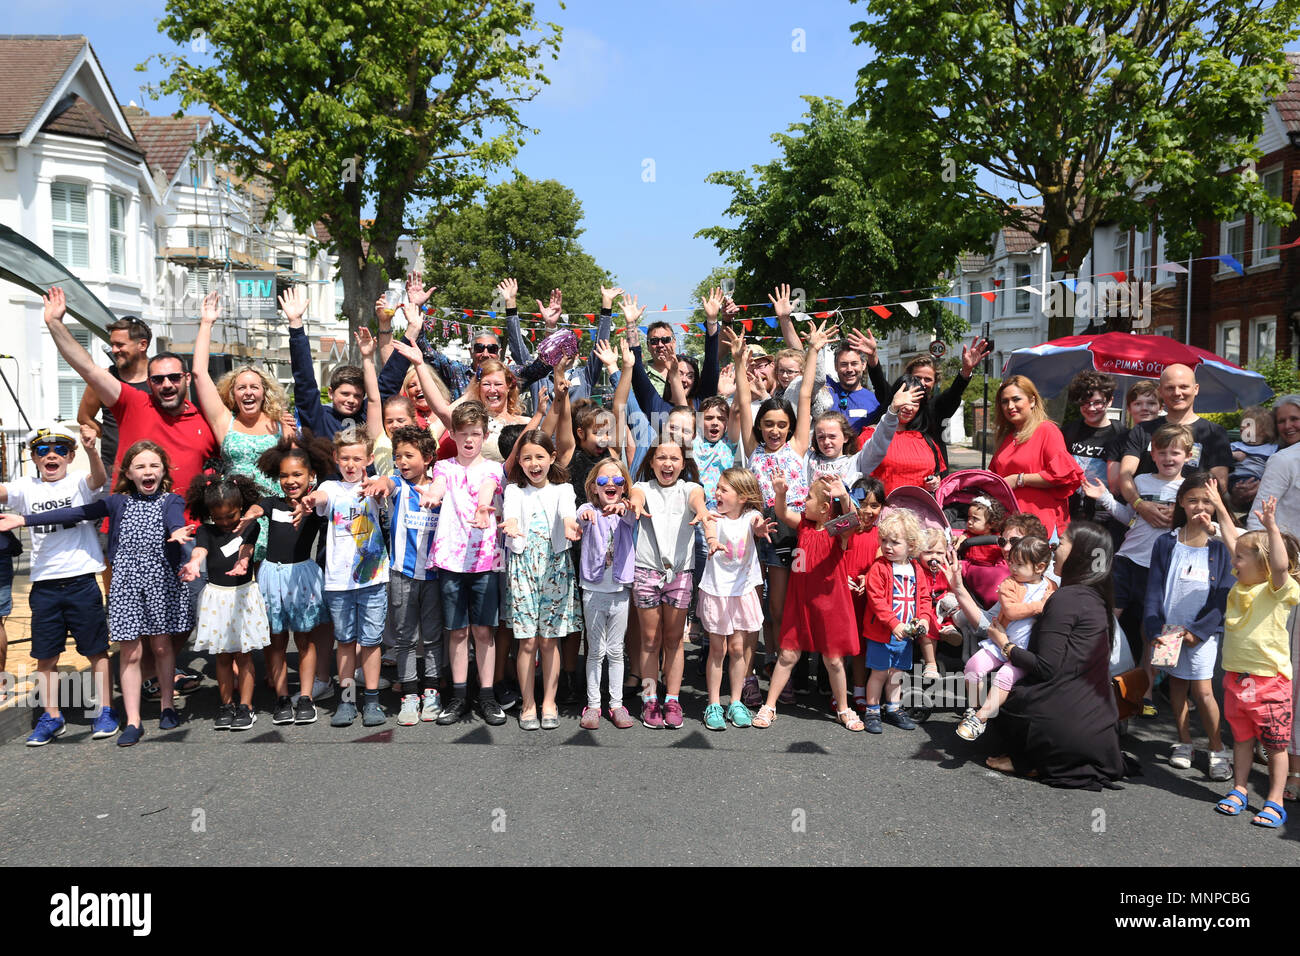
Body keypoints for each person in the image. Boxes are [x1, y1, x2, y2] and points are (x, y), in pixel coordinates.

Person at [0, 440, 194, 746]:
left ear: (163, 471)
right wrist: (25, 519)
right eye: (140, 466)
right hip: (125, 585)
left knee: (161, 647)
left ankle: (168, 705)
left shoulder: (172, 501)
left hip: (161, 584)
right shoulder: (116, 502)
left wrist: (178, 534)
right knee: (130, 652)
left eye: (154, 466)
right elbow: (73, 513)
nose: (148, 472)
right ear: (129, 472)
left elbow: (175, 523)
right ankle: (132, 719)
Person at [981, 521, 1125, 789]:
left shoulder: (1065, 599)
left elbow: (1045, 667)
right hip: (1100, 725)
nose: (1054, 549)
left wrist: (1004, 644)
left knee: (1009, 698)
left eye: (1062, 544)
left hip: (1064, 728)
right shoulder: (1094, 596)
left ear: (1081, 555)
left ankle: (1030, 759)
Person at [42, 287, 218, 504]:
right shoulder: (134, 403)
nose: (166, 384)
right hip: (132, 528)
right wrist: (55, 324)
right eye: (157, 379)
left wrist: (207, 324)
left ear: (186, 379)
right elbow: (88, 368)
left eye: (174, 377)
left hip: (188, 530)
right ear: (150, 383)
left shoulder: (204, 420)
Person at [4, 426, 117, 746]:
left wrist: (92, 450)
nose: (50, 455)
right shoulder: (25, 487)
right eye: (42, 451)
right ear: (34, 458)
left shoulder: (79, 481)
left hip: (82, 579)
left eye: (58, 450)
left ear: (69, 456)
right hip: (44, 584)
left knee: (96, 650)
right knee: (46, 656)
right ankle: (51, 716)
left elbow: (98, 479)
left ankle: (106, 709)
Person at [1084, 422, 1192, 716]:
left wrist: (1183, 518)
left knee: (1152, 633)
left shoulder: (1189, 488)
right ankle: (1095, 681)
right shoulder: (1141, 482)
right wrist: (1104, 497)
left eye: (1176, 453)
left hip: (1164, 570)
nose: (1169, 458)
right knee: (1107, 622)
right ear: (1152, 455)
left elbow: (1199, 527)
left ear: (1188, 455)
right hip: (1127, 561)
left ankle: (1146, 692)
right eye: (1163, 452)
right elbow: (1127, 517)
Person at [752, 473, 870, 731]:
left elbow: (852, 523)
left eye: (808, 498)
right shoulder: (804, 524)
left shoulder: (835, 530)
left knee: (833, 659)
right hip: (801, 603)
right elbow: (782, 513)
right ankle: (769, 705)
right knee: (787, 655)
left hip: (831, 607)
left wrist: (843, 496)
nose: (803, 502)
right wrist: (780, 492)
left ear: (825, 507)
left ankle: (844, 708)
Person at [1212, 496, 1299, 827]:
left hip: (1270, 681)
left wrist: (1272, 527)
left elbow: (1279, 565)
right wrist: (1221, 506)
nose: (1233, 561)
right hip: (1237, 679)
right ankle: (1239, 789)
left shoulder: (1276, 588)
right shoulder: (1241, 584)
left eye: (1240, 559)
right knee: (1243, 739)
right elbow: (1233, 539)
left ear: (1261, 564)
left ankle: (1275, 801)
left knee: (1276, 747)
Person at [1142, 474, 1235, 781]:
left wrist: (1199, 631)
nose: (1199, 506)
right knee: (1176, 686)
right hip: (1168, 630)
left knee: (1204, 691)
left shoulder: (1221, 546)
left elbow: (1224, 595)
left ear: (1218, 505)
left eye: (1207, 500)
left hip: (1200, 634)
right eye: (1193, 499)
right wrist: (1155, 627)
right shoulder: (1166, 543)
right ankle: (1183, 742)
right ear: (1180, 501)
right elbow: (1154, 589)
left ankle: (1217, 748)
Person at [297, 427, 391, 728]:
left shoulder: (373, 484)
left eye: (357, 458)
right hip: (338, 582)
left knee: (372, 641)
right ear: (336, 458)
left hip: (372, 579)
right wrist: (311, 498)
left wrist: (379, 485)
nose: (351, 464)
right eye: (345, 458)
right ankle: (347, 700)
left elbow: (385, 486)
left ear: (369, 459)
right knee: (346, 641)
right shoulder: (332, 487)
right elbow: (321, 495)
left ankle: (373, 700)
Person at [193, 291, 291, 559]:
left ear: (264, 392)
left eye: (254, 387)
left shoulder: (279, 423)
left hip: (271, 514)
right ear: (232, 393)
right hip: (232, 515)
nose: (248, 392)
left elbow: (295, 468)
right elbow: (200, 374)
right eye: (241, 388)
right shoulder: (225, 421)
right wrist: (206, 323)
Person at [427, 402, 507, 727]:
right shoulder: (443, 467)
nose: (470, 440)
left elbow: (489, 487)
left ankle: (486, 695)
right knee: (457, 631)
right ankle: (459, 695)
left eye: (476, 434)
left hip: (484, 560)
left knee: (484, 630)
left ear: (485, 435)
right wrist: (432, 496)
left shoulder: (493, 468)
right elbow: (438, 486)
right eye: (463, 434)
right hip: (449, 559)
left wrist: (483, 506)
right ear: (454, 435)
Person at [501, 430, 581, 730]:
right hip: (523, 566)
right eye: (527, 458)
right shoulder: (514, 491)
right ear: (519, 462)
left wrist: (571, 525)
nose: (534, 463)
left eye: (539, 457)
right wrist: (509, 524)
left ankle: (549, 701)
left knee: (549, 641)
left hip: (555, 566)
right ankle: (528, 703)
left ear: (552, 458)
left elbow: (567, 512)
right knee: (527, 641)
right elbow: (510, 514)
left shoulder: (563, 489)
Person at [252, 436, 334, 725]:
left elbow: (324, 506)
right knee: (275, 641)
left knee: (304, 639)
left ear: (311, 475)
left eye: (297, 474)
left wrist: (310, 505)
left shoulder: (314, 506)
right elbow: (257, 510)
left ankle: (306, 697)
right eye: (284, 475)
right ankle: (283, 698)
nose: (290, 480)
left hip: (302, 577)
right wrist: (250, 513)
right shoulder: (271, 503)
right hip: (271, 577)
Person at [629, 437, 710, 729]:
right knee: (650, 640)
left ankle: (672, 698)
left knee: (674, 641)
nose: (668, 464)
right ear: (651, 462)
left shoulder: (691, 488)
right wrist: (635, 505)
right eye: (661, 457)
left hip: (680, 573)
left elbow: (696, 500)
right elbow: (635, 496)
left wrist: (702, 513)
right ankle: (650, 699)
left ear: (683, 464)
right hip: (646, 571)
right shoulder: (643, 488)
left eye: (674, 459)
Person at [179, 474, 267, 732]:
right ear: (209, 514)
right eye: (219, 518)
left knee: (244, 654)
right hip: (216, 597)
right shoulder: (206, 531)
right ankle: (226, 704)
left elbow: (247, 549)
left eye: (232, 515)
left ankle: (246, 706)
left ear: (241, 507)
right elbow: (200, 550)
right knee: (222, 656)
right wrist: (194, 563)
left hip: (242, 595)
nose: (226, 523)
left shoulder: (250, 526)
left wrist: (242, 562)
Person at [951, 536, 1056, 741]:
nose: (1013, 568)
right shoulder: (1009, 583)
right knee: (973, 667)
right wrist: (1041, 606)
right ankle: (974, 707)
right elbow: (1011, 611)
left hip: (1026, 649)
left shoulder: (1051, 586)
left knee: (1005, 677)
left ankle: (980, 719)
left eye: (1019, 564)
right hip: (999, 642)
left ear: (1040, 567)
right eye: (1011, 563)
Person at [374, 425, 444, 726]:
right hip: (402, 573)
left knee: (432, 637)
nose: (402, 462)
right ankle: (409, 694)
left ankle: (431, 690)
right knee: (404, 637)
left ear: (427, 458)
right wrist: (380, 484)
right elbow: (386, 483)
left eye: (409, 456)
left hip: (435, 574)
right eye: (397, 456)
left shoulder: (440, 486)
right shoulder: (399, 485)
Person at [398, 271, 551, 401]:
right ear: (471, 351)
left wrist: (550, 326)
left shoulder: (510, 375)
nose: (485, 354)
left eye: (491, 349)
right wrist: (416, 307)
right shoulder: (456, 371)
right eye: (479, 348)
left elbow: (541, 367)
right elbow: (425, 350)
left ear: (498, 352)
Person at [1117, 364, 1231, 532]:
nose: (1177, 393)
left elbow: (1219, 484)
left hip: (1192, 528)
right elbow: (1125, 474)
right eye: (1170, 388)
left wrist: (1181, 511)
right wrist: (1139, 505)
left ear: (1196, 389)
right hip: (1143, 527)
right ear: (1161, 391)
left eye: (1184, 387)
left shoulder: (1214, 433)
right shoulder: (1142, 430)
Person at [698, 468, 769, 731]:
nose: (716, 493)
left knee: (739, 649)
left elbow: (756, 524)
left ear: (741, 497)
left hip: (742, 591)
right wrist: (712, 540)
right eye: (717, 488)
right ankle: (714, 704)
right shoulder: (712, 515)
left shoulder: (751, 516)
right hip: (717, 590)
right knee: (718, 650)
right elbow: (710, 529)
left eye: (723, 489)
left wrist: (760, 529)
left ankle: (736, 702)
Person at [575, 458, 638, 730]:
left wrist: (623, 506)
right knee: (595, 651)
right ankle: (592, 704)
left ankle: (616, 704)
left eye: (617, 480)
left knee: (616, 650)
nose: (610, 484)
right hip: (593, 589)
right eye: (603, 481)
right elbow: (581, 515)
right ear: (593, 487)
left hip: (619, 590)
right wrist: (584, 516)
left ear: (625, 487)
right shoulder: (588, 509)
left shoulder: (627, 512)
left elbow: (632, 514)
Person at [861, 508, 934, 734]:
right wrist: (894, 623)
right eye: (884, 541)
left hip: (906, 634)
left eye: (895, 542)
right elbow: (876, 600)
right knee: (879, 672)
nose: (888, 546)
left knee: (897, 673)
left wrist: (924, 619)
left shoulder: (916, 569)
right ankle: (872, 710)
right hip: (883, 632)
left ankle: (893, 708)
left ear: (911, 546)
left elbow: (923, 596)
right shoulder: (879, 568)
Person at [989, 374, 1083, 538]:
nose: (1010, 406)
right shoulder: (1006, 437)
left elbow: (1062, 475)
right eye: (1005, 401)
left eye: (1016, 399)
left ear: (1032, 401)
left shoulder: (1047, 430)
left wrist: (1020, 479)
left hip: (1040, 524)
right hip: (1010, 524)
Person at [77, 315, 151, 476]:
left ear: (142, 345)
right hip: (114, 471)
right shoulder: (104, 379)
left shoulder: (164, 379)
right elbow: (84, 417)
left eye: (120, 345)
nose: (114, 350)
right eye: (113, 345)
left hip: (156, 471)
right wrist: (112, 435)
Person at [1061, 371, 1121, 525]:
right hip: (1069, 512)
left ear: (1110, 401)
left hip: (1104, 515)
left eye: (1098, 402)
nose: (1091, 408)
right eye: (1085, 402)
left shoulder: (1121, 434)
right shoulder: (1068, 431)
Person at [1246, 395, 1300, 534]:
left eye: (1294, 419)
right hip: (1288, 551)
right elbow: (1258, 517)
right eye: (1281, 421)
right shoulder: (1282, 459)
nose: (1288, 426)